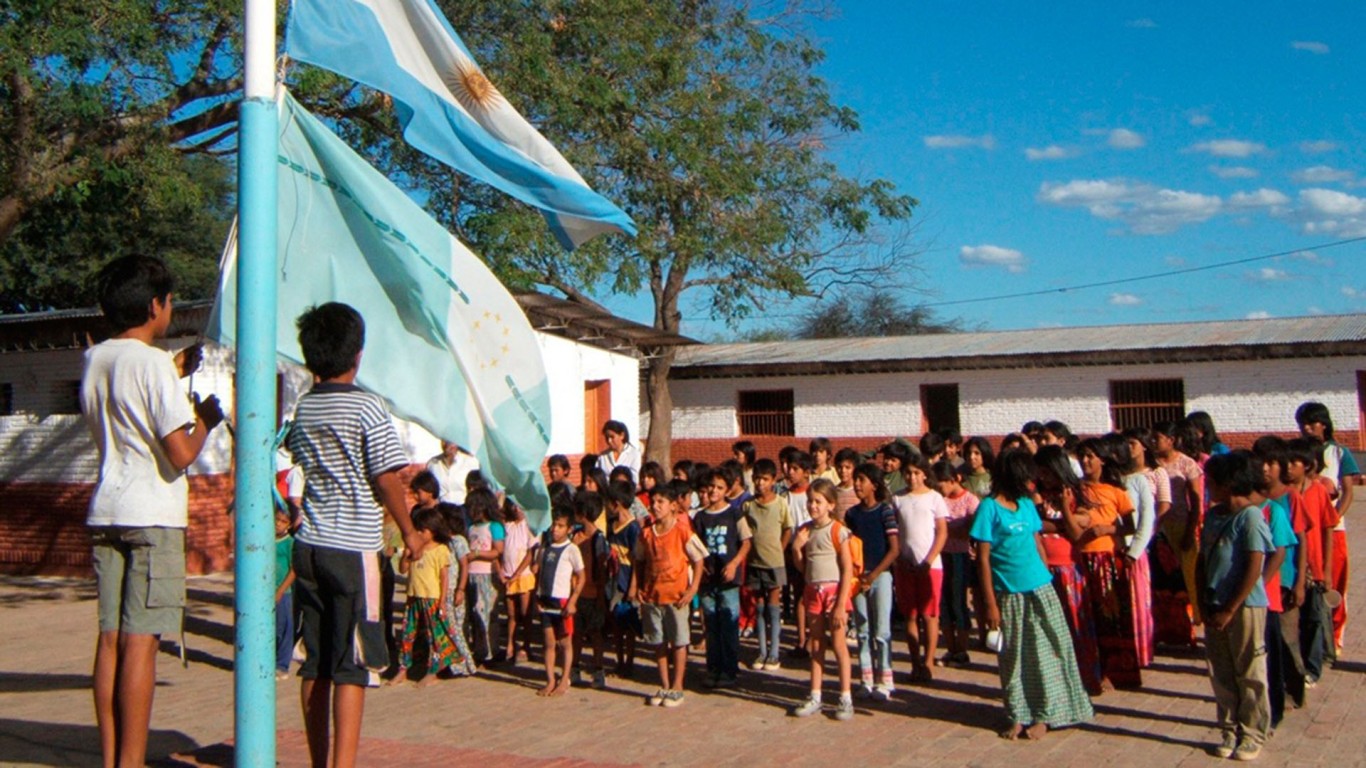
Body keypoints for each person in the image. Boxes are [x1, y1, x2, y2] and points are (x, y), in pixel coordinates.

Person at [81, 255, 226, 768]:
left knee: (111, 641)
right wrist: (204, 420)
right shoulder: (152, 364)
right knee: (143, 644)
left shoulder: (97, 359)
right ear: (154, 306)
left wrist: (175, 367)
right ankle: (134, 761)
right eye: (168, 302)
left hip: (106, 509)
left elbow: (131, 383)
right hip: (153, 515)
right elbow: (181, 453)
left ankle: (112, 758)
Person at [286, 302, 423, 768]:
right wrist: (409, 531)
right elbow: (387, 476)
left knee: (317, 662)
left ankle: (319, 761)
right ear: (358, 355)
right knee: (354, 665)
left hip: (310, 547)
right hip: (355, 550)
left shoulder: (303, 409)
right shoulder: (367, 406)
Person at [972, 449, 1094, 742]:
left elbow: (1037, 542)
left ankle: (1045, 715)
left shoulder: (1027, 505)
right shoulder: (988, 509)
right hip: (1009, 595)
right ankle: (1017, 715)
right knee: (1014, 659)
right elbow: (983, 559)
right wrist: (989, 604)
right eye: (1026, 476)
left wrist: (1047, 578)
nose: (1032, 481)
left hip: (1040, 589)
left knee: (1047, 654)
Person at [1197, 451, 1274, 761]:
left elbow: (1255, 564)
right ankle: (1229, 728)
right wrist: (1202, 599)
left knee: (1249, 669)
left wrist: (1231, 607)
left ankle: (1253, 731)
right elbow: (1203, 560)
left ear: (1229, 483)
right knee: (1221, 670)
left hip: (1245, 606)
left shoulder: (1251, 517)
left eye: (1212, 482)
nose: (1208, 487)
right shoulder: (1213, 515)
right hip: (1213, 601)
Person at [629, 483, 707, 707]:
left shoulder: (682, 531)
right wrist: (639, 587)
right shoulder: (646, 534)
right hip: (653, 597)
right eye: (653, 502)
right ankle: (664, 684)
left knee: (679, 641)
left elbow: (699, 559)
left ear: (673, 506)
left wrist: (692, 589)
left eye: (660, 502)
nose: (655, 506)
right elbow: (640, 561)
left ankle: (677, 686)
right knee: (658, 642)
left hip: (677, 597)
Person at [1033, 446, 1103, 695]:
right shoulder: (1037, 495)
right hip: (1043, 567)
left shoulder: (1076, 493)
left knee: (1075, 625)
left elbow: (1076, 533)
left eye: (1046, 471)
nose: (1043, 477)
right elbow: (1035, 525)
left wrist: (1063, 511)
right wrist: (1057, 523)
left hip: (1069, 568)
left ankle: (1084, 679)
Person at [1295, 401, 1358, 657]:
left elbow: (1348, 491)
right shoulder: (1298, 453)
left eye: (1312, 423)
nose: (1307, 428)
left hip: (1333, 530)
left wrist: (1330, 519)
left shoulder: (1339, 453)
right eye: (1303, 424)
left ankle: (1335, 636)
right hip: (1303, 529)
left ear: (1324, 423)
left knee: (1335, 582)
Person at [790, 479, 856, 720]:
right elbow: (803, 568)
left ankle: (845, 696)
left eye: (818, 501)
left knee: (838, 644)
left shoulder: (838, 530)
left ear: (831, 504)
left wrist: (840, 603)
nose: (812, 506)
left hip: (834, 592)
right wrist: (797, 549)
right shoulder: (805, 530)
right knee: (816, 644)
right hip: (812, 591)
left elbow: (847, 569)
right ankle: (815, 694)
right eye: (810, 501)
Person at [1253, 436, 1309, 711]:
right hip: (1259, 584)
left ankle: (1294, 687)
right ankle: (1272, 688)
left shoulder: (1290, 498)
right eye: (1261, 462)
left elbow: (1302, 539)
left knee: (1288, 637)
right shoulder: (1253, 499)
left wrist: (1300, 581)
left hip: (1285, 580)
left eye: (1272, 462)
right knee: (1266, 640)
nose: (1265, 468)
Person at [845, 462, 901, 700]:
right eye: (856, 480)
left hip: (881, 577)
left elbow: (894, 549)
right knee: (862, 630)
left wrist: (874, 574)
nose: (857, 484)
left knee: (882, 630)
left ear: (874, 485)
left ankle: (885, 679)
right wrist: (857, 576)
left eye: (862, 480)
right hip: (857, 579)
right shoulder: (852, 514)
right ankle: (866, 678)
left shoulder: (885, 512)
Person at [892, 454, 950, 683]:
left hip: (931, 565)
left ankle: (928, 661)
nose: (912, 477)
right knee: (911, 615)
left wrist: (929, 559)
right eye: (908, 473)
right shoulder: (897, 499)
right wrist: (900, 558)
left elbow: (942, 531)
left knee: (929, 615)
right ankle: (914, 661)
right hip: (905, 564)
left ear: (925, 473)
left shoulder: (935, 498)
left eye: (916, 473)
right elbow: (894, 531)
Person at [693, 467, 753, 688]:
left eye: (719, 487)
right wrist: (700, 567)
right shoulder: (700, 517)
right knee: (711, 625)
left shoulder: (734, 513)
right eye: (711, 487)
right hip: (708, 580)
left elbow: (746, 541)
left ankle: (729, 669)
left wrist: (735, 563)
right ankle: (713, 667)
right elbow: (695, 546)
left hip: (729, 579)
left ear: (727, 489)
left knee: (728, 624)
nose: (714, 491)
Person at [1286, 438, 1336, 685]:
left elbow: (1328, 529)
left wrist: (1327, 569)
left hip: (1315, 567)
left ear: (1307, 465)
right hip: (1291, 567)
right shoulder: (1285, 493)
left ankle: (1312, 669)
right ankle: (1295, 667)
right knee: (1292, 621)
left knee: (1314, 619)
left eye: (1294, 462)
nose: (1288, 467)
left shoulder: (1318, 491)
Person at [1152, 420, 1206, 646]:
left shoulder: (1187, 464)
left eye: (1157, 438)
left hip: (1181, 524)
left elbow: (1195, 499)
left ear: (1171, 440)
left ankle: (1198, 618)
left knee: (1190, 575)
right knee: (1163, 577)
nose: (1153, 443)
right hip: (1156, 526)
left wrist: (1191, 528)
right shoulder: (1151, 464)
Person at [394, 508, 458, 686]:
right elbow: (403, 570)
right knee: (408, 634)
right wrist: (406, 557)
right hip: (413, 596)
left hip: (432, 598)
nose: (420, 534)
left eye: (423, 530)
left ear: (433, 530)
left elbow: (444, 577)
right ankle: (403, 668)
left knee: (434, 636)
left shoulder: (441, 550)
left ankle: (433, 670)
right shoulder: (414, 549)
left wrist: (443, 601)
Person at [743, 458, 794, 671]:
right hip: (755, 562)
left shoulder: (781, 503)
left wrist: (780, 551)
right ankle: (762, 650)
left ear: (773, 480)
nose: (760, 483)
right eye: (757, 479)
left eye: (764, 479)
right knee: (759, 605)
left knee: (773, 604)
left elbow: (787, 529)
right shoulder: (748, 505)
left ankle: (774, 652)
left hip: (774, 563)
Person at [533, 507, 585, 696]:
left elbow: (582, 576)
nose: (555, 529)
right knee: (548, 643)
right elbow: (538, 574)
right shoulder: (544, 548)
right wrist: (536, 597)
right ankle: (550, 680)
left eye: (561, 526)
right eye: (554, 525)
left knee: (565, 643)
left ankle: (564, 679)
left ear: (569, 529)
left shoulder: (572, 550)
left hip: (562, 602)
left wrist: (573, 600)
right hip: (545, 601)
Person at [933, 460, 979, 668]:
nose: (939, 487)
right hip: (942, 555)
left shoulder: (970, 500)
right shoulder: (939, 500)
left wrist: (943, 530)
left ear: (953, 480)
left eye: (942, 482)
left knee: (959, 601)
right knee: (944, 602)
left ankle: (962, 649)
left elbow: (968, 530)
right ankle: (951, 648)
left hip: (960, 555)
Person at [571, 492, 610, 689]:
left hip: (594, 594)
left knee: (595, 634)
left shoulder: (598, 539)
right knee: (575, 633)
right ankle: (574, 667)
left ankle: (598, 670)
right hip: (576, 595)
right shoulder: (574, 536)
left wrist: (601, 596)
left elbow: (602, 569)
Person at [604, 481, 643, 678]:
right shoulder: (611, 526)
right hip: (613, 580)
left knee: (629, 625)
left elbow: (636, 559)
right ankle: (619, 661)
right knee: (617, 624)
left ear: (616, 503)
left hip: (627, 580)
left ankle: (629, 662)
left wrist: (634, 585)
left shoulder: (633, 528)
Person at [465, 488, 505, 665]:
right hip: (472, 574)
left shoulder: (494, 527)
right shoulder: (471, 528)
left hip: (487, 574)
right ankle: (480, 648)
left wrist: (476, 553)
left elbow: (497, 551)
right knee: (475, 612)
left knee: (487, 613)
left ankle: (491, 649)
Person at [499, 499, 538, 664]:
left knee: (525, 613)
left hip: (523, 575)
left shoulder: (528, 526)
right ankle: (510, 645)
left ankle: (526, 645)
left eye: (519, 505)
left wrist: (517, 573)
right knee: (511, 614)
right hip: (508, 575)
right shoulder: (506, 526)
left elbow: (530, 553)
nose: (516, 509)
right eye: (513, 505)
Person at [275, 509, 297, 681]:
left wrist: (281, 589)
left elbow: (293, 569)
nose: (278, 524)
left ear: (288, 525)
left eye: (283, 521)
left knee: (284, 627)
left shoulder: (289, 543)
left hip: (283, 592)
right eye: (276, 520)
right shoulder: (267, 540)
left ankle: (282, 665)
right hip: (265, 591)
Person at [426, 440, 480, 505]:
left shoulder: (470, 462)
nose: (447, 444)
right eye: (444, 440)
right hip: (442, 509)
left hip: (464, 508)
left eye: (450, 441)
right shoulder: (433, 463)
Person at [597, 420, 642, 484]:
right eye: (607, 437)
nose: (609, 441)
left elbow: (634, 478)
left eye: (612, 437)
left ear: (622, 435)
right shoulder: (602, 456)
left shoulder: (634, 454)